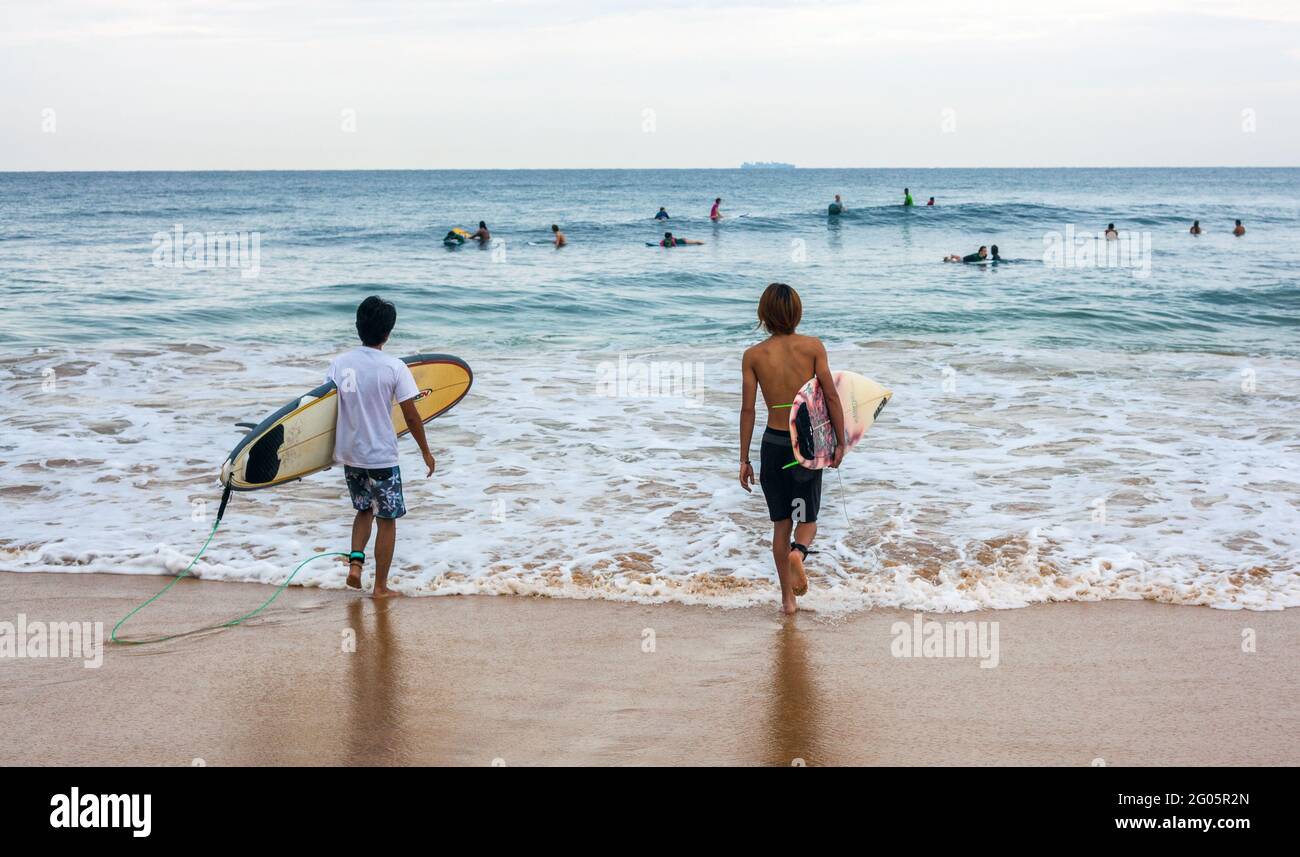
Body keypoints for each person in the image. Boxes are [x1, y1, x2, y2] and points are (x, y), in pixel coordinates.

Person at [739, 283, 845, 615]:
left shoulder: (754, 355)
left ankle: (787, 600)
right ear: (797, 312)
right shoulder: (812, 347)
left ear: (763, 315)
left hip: (772, 444)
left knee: (780, 523)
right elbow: (830, 396)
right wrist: (841, 442)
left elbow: (748, 410)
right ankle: (799, 553)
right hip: (806, 446)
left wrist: (743, 459)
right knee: (807, 519)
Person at [328, 296, 437, 598]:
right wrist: (425, 452)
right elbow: (411, 416)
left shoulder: (340, 364)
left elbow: (325, 412)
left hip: (351, 454)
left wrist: (326, 455)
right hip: (381, 457)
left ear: (357, 326)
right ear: (388, 333)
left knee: (363, 510)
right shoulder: (394, 367)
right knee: (386, 519)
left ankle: (355, 565)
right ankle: (380, 588)